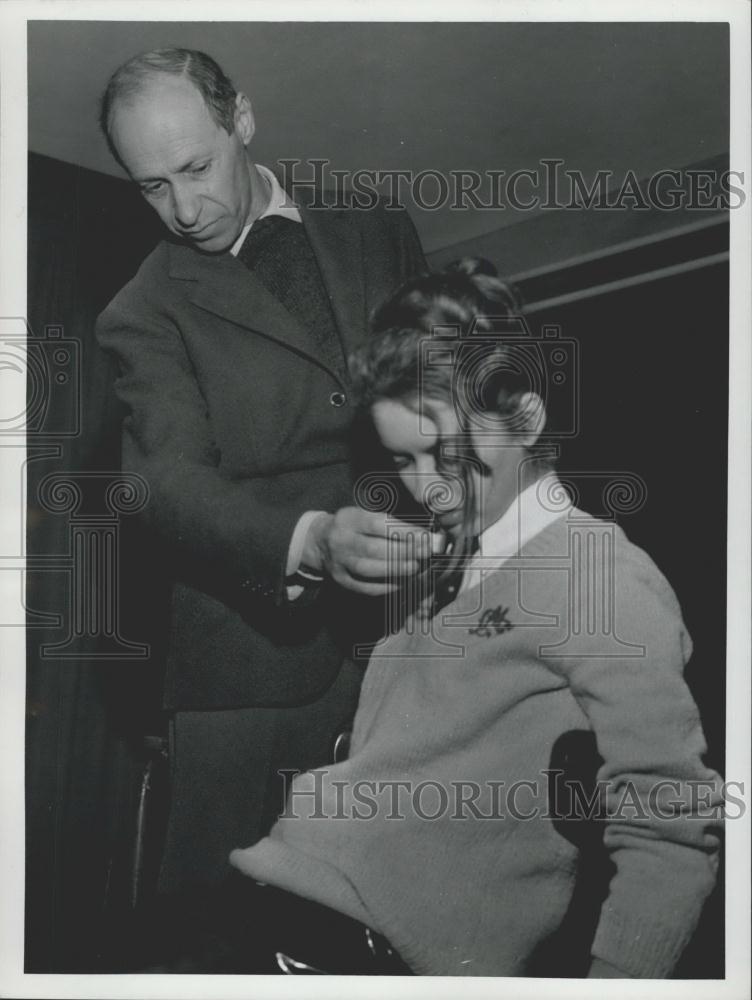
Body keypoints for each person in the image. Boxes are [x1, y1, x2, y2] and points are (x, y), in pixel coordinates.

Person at [226, 258, 724, 977]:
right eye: (403, 460)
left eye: (448, 454)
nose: (428, 488)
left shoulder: (599, 575)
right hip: (278, 899)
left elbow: (671, 822)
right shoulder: (445, 566)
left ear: (524, 415)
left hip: (371, 952)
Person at [95, 47, 427, 897]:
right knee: (221, 933)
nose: (183, 207)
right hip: (248, 664)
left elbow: (446, 391)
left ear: (241, 118)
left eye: (196, 168)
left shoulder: (377, 229)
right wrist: (308, 539)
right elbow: (164, 479)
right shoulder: (143, 308)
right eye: (152, 186)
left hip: (416, 643)